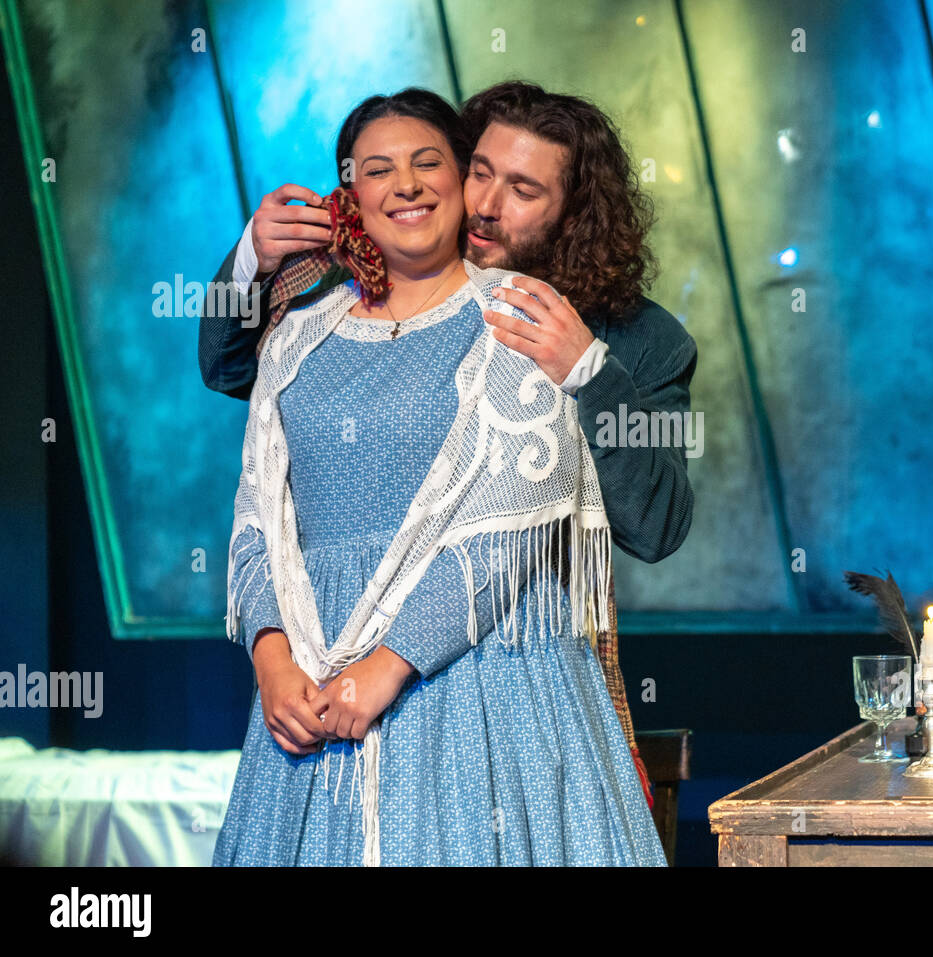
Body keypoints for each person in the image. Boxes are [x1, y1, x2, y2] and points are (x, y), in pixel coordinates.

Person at [211, 88, 667, 865]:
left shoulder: (531, 318)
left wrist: (388, 668)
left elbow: (516, 524)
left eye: (431, 164)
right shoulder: (298, 332)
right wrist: (272, 658)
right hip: (312, 693)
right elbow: (260, 516)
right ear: (347, 197)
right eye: (380, 169)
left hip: (480, 682)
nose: (411, 184)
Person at [199, 81, 696, 566]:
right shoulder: (370, 281)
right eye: (479, 173)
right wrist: (253, 261)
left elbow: (657, 530)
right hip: (347, 613)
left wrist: (591, 375)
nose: (485, 208)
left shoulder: (641, 337)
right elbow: (228, 368)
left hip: (517, 627)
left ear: (575, 216)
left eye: (523, 191)